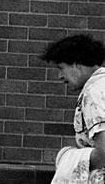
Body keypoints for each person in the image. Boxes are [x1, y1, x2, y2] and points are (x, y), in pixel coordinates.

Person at [41, 35, 105, 183]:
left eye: (61, 68)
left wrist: (70, 163)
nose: (60, 76)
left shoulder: (94, 92)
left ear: (77, 64)